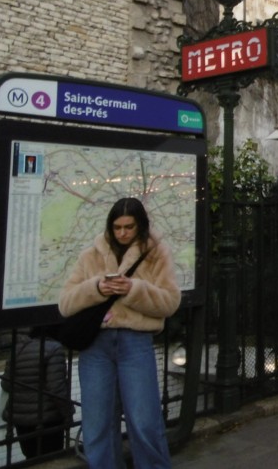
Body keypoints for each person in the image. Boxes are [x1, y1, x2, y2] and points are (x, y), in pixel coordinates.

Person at [58, 197, 181, 469]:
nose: (123, 233)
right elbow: (65, 303)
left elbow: (171, 301)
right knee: (97, 424)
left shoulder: (157, 253)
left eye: (129, 227)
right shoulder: (91, 254)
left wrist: (133, 290)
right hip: (95, 347)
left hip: (134, 342)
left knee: (144, 421)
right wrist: (97, 288)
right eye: (117, 227)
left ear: (140, 226)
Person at [0, 327, 74, 458]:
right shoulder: (54, 349)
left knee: (31, 459)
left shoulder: (17, 350)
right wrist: (68, 412)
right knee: (51, 459)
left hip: (21, 419)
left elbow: (6, 384)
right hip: (47, 418)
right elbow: (56, 388)